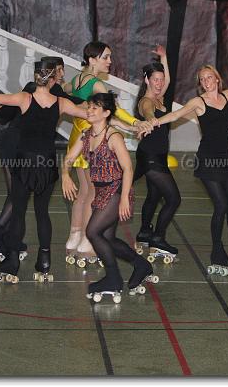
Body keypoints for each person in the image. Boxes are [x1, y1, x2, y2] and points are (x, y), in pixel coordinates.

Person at [0, 60, 87, 283]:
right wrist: (118, 118)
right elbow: (90, 114)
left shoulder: (25, 98)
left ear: (37, 77)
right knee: (42, 213)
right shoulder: (62, 102)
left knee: (19, 211)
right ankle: (44, 261)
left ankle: (12, 260)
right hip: (47, 164)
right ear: (53, 78)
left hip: (25, 163)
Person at [147, 65, 228, 275]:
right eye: (202, 79)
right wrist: (155, 121)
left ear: (217, 79)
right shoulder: (199, 102)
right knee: (221, 205)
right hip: (207, 160)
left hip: (227, 159)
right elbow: (176, 115)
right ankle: (217, 252)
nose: (206, 82)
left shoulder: (226, 96)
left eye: (209, 77)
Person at [63, 91, 158, 302]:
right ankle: (141, 265)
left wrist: (124, 199)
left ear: (106, 113)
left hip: (116, 190)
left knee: (92, 231)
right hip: (101, 191)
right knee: (108, 238)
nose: (89, 111)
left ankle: (113, 278)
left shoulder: (113, 136)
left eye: (94, 108)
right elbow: (69, 158)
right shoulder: (86, 135)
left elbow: (128, 169)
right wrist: (65, 176)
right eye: (89, 107)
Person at [64, 41, 152, 267]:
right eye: (105, 57)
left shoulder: (77, 79)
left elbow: (63, 92)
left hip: (76, 137)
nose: (110, 62)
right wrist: (135, 122)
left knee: (83, 192)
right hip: (90, 140)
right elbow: (114, 110)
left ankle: (74, 238)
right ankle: (87, 242)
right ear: (92, 59)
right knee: (92, 193)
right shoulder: (96, 84)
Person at [0, 56, 67, 263]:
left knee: (17, 196)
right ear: (53, 72)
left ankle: (5, 238)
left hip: (11, 142)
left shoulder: (33, 87)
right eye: (60, 70)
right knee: (18, 197)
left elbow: (9, 106)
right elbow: (77, 102)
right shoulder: (54, 92)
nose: (62, 74)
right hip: (17, 146)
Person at [133, 46, 180, 263]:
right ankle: (158, 238)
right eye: (155, 80)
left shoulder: (160, 96)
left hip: (154, 155)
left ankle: (144, 231)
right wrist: (151, 119)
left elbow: (168, 79)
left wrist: (164, 57)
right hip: (151, 158)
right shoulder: (147, 101)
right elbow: (147, 111)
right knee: (173, 199)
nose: (160, 83)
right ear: (147, 80)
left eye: (161, 80)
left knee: (154, 195)